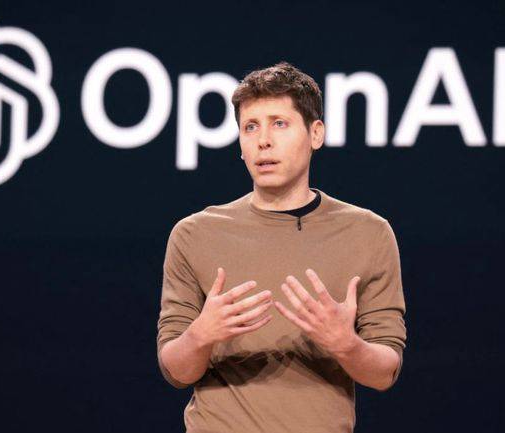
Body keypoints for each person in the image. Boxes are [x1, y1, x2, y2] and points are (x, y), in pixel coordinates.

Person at [156, 61, 407, 433]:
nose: (263, 140)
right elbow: (176, 371)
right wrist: (201, 335)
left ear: (315, 134)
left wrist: (345, 344)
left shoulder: (368, 233)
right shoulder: (195, 234)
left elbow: (384, 372)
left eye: (279, 123)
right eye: (250, 127)